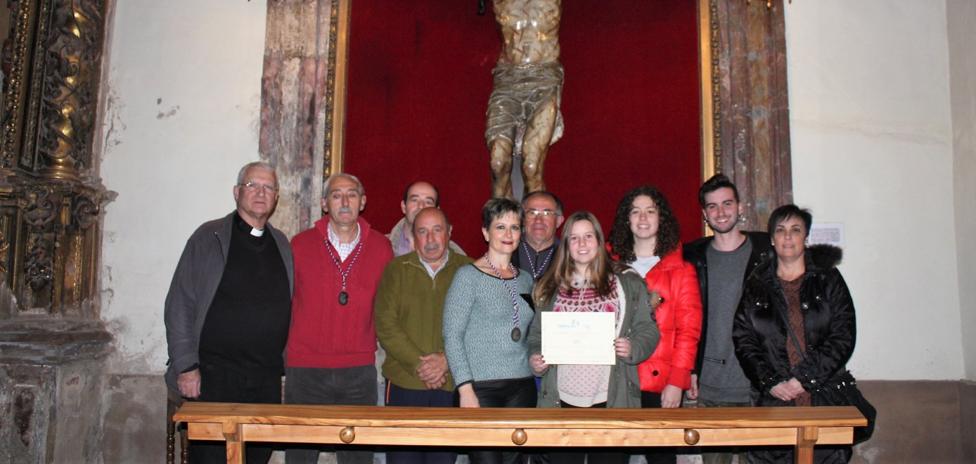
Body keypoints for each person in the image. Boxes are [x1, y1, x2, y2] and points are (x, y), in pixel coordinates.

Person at [163, 161, 293, 464]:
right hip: (214, 376)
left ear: (276, 197)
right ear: (237, 192)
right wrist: (186, 366)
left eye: (268, 187)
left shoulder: (282, 243)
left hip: (265, 378)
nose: (261, 193)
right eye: (252, 185)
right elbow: (179, 302)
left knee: (257, 456)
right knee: (210, 457)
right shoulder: (209, 237)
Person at [528, 211, 660, 464]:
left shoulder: (627, 282)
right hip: (561, 400)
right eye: (574, 238)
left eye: (588, 236)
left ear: (599, 241)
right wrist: (535, 358)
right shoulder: (550, 286)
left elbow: (649, 329)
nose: (582, 244)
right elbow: (536, 336)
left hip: (611, 399)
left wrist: (633, 347)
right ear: (565, 245)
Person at [284, 173, 393, 464]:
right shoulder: (299, 245)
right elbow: (283, 303)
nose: (344, 201)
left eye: (352, 194)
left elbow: (389, 308)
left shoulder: (382, 248)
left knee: (357, 457)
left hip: (358, 371)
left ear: (363, 201)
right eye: (336, 195)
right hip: (305, 369)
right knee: (300, 456)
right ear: (324, 203)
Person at [733, 205, 856, 463]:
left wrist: (804, 379)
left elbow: (843, 335)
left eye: (795, 230)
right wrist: (770, 381)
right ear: (772, 239)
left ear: (806, 237)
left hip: (822, 398)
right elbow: (744, 339)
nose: (788, 237)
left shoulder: (828, 278)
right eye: (781, 230)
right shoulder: (757, 283)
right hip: (774, 402)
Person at [607, 186, 701, 464]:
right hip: (615, 380)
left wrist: (677, 382)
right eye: (635, 211)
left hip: (660, 383)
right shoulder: (607, 264)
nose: (643, 217)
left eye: (650, 210)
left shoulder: (681, 270)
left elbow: (689, 332)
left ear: (662, 218)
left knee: (661, 458)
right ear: (627, 219)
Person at [682, 174, 771, 464]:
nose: (720, 212)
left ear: (740, 207)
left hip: (756, 384)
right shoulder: (692, 257)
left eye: (727, 204)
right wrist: (690, 369)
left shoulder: (765, 252)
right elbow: (684, 320)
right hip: (710, 385)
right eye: (712, 206)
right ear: (704, 213)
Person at [375, 207, 473, 464]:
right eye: (422, 232)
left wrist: (446, 361)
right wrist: (420, 364)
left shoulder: (469, 270)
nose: (430, 239)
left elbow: (479, 326)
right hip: (404, 384)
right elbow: (385, 324)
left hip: (450, 385)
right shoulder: (396, 270)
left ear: (449, 233)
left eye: (437, 230)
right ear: (414, 237)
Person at [443, 197, 535, 464]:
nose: (508, 234)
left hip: (522, 387)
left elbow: (528, 332)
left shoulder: (526, 279)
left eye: (515, 227)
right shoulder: (467, 277)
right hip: (481, 390)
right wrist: (465, 389)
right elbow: (452, 336)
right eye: (500, 227)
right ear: (485, 232)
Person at [485, 0, 563, 199]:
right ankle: (500, 223)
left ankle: (538, 226)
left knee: (532, 164)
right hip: (507, 80)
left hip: (543, 78)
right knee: (498, 162)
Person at [387, 181, 466, 257]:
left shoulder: (456, 254)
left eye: (428, 202)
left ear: (437, 211)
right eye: (414, 200)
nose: (421, 206)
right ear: (404, 207)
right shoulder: (379, 246)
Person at [512, 191, 565, 281]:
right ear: (522, 219)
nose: (538, 220)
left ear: (559, 221)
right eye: (532, 213)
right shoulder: (506, 250)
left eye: (546, 213)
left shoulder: (569, 256)